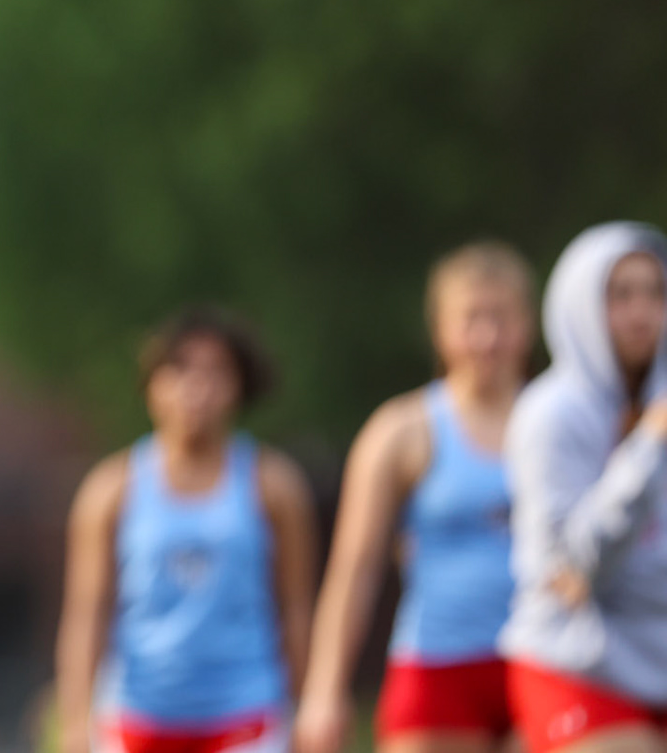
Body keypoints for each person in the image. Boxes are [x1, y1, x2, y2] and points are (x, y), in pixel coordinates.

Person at [295, 242, 534, 753]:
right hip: (438, 666)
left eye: (502, 318)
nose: (487, 338)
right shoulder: (402, 432)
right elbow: (355, 568)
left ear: (527, 326)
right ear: (441, 330)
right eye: (472, 319)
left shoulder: (557, 421)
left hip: (539, 662)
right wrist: (324, 689)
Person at [56, 307, 317, 753]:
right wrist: (75, 719)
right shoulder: (111, 490)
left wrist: (311, 705)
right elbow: (87, 613)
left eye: (215, 373)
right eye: (179, 371)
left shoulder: (273, 486)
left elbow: (294, 606)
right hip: (139, 716)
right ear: (152, 386)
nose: (197, 388)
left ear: (239, 387)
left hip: (246, 714)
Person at [500, 222, 667, 753]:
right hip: (576, 663)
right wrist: (647, 449)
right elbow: (572, 566)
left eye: (656, 292)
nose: (642, 312)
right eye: (621, 295)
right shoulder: (552, 413)